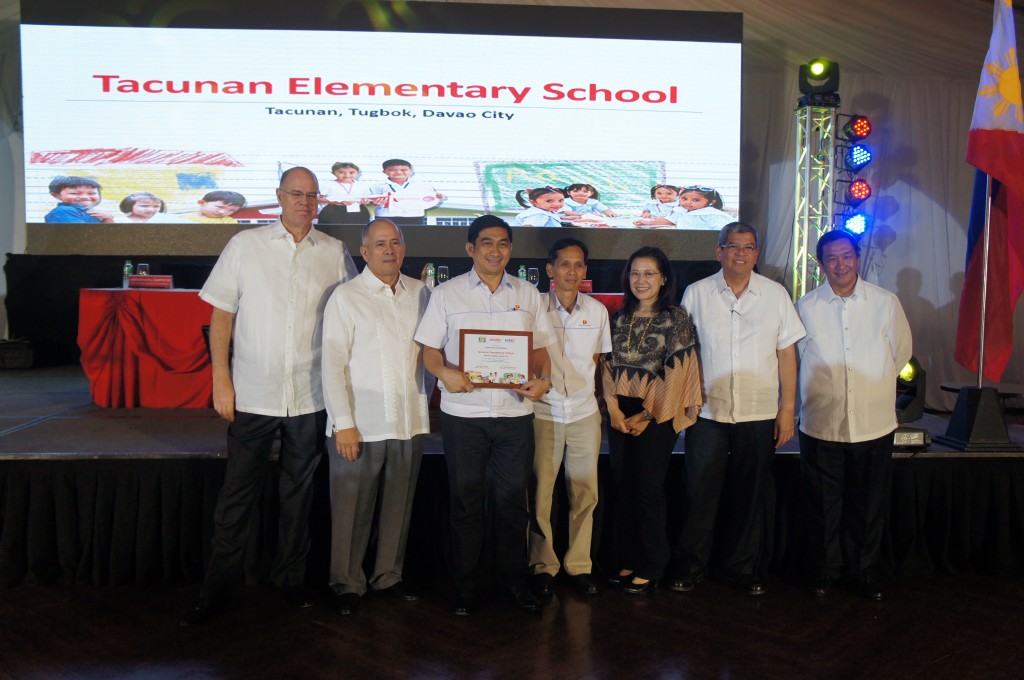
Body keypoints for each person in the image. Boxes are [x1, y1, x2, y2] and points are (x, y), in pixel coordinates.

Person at [179, 167, 358, 626]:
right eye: (295, 194)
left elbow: (354, 313)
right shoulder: (245, 245)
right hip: (253, 394)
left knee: (298, 495)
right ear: (278, 196)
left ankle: (290, 581)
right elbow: (221, 316)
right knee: (237, 494)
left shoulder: (335, 252)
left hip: (310, 396)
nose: (304, 202)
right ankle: (217, 588)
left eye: (312, 196)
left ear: (320, 202)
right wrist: (221, 380)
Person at [414, 215, 553, 615]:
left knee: (512, 503)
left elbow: (540, 350)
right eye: (487, 243)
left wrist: (542, 379)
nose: (496, 250)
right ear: (470, 248)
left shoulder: (528, 293)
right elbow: (429, 349)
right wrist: (444, 373)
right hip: (464, 415)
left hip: (514, 415)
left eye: (504, 243)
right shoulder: (447, 294)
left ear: (511, 248)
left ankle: (514, 582)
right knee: (465, 501)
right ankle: (465, 587)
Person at [670, 222, 805, 596]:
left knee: (750, 493)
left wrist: (787, 408)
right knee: (700, 492)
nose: (740, 253)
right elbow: (684, 354)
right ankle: (691, 567)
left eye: (748, 247)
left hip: (759, 412)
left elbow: (786, 353)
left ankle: (740, 568)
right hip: (707, 412)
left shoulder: (775, 295)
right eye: (733, 246)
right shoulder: (697, 293)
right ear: (719, 252)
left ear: (756, 254)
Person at [322, 218, 431, 615]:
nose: (389, 250)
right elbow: (332, 364)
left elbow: (432, 356)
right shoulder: (346, 297)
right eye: (379, 244)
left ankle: (388, 576)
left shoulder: (422, 293)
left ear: (403, 248)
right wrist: (343, 422)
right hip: (360, 424)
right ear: (364, 253)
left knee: (398, 508)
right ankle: (347, 582)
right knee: (352, 508)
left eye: (395, 243)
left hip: (409, 421)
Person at [796, 230, 912, 601]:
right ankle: (824, 571)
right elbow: (796, 359)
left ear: (857, 258)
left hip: (873, 422)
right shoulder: (806, 307)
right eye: (832, 258)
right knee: (822, 505)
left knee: (868, 503)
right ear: (821, 264)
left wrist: (870, 386)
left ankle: (863, 572)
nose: (841, 264)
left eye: (847, 256)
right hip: (821, 422)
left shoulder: (885, 302)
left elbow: (901, 354)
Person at [602, 246, 702, 594]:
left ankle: (652, 563)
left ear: (663, 279)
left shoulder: (676, 318)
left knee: (647, 489)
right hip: (618, 413)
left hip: (657, 412)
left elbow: (679, 372)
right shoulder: (617, 317)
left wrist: (646, 414)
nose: (640, 280)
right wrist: (614, 410)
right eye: (634, 273)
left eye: (648, 273)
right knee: (624, 487)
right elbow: (606, 366)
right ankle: (627, 557)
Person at [528, 237, 612, 598]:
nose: (572, 271)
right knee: (540, 493)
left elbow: (599, 363)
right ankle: (542, 565)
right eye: (565, 264)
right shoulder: (532, 309)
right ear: (550, 270)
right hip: (542, 412)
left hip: (583, 412)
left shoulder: (597, 311)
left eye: (579, 265)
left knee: (584, 492)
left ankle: (579, 565)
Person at [369, 158, 444, 226]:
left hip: (414, 215)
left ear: (411, 171)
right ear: (384, 171)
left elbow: (429, 199)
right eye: (392, 170)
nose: (398, 172)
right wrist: (375, 202)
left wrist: (438, 198)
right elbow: (371, 201)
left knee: (412, 238)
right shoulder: (377, 186)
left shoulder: (422, 185)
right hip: (385, 216)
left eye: (404, 170)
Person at [634, 186, 732, 230]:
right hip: (685, 239)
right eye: (684, 198)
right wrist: (647, 222)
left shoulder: (712, 214)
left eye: (695, 200)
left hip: (704, 241)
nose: (688, 202)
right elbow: (669, 220)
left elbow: (721, 230)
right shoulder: (683, 211)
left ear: (711, 202)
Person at [44, 176, 114, 223]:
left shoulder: (91, 212)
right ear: (57, 195)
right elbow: (83, 234)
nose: (85, 197)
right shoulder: (63, 211)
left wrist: (108, 219)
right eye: (74, 193)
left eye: (91, 193)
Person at [513, 187, 577, 227]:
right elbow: (528, 230)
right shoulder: (538, 215)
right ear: (533, 202)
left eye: (560, 200)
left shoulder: (543, 211)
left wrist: (565, 218)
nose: (557, 204)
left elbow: (549, 216)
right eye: (549, 201)